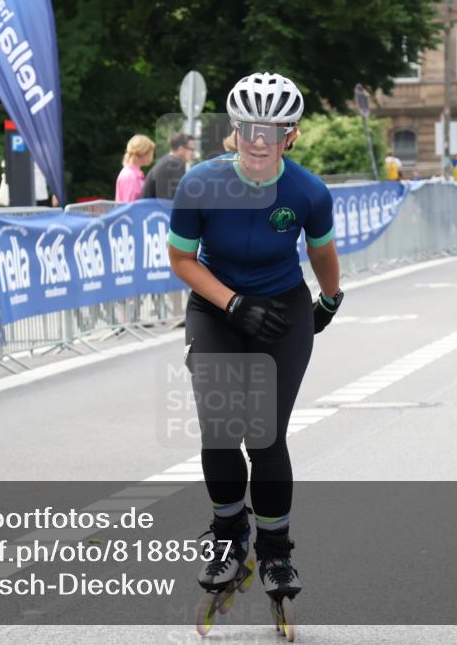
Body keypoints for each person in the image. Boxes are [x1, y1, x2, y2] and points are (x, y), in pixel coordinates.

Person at [168, 72, 342, 619]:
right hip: (217, 306)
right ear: (234, 130)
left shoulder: (308, 192)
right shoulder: (198, 183)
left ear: (290, 135)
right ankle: (227, 535)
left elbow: (321, 255)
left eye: (273, 129)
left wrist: (331, 300)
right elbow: (181, 259)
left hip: (282, 308)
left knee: (264, 436)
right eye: (249, 128)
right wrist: (232, 304)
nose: (260, 140)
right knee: (220, 429)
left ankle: (275, 554)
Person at [141, 132, 195, 200]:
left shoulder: (168, 161)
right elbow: (180, 198)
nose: (193, 154)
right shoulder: (174, 165)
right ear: (181, 149)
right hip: (153, 209)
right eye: (192, 149)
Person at [115, 134, 155, 202]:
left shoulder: (134, 174)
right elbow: (129, 207)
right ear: (142, 152)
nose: (152, 156)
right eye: (150, 152)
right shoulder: (130, 176)